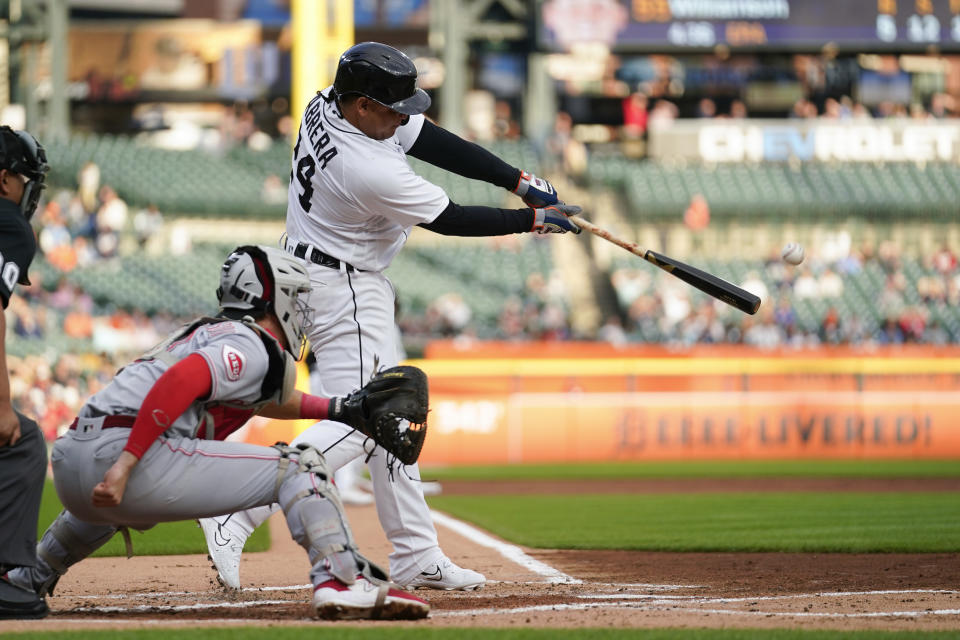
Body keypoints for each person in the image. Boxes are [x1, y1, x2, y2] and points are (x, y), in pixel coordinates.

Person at [199, 41, 581, 592]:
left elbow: (432, 139)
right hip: (344, 287)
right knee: (373, 418)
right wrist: (530, 219)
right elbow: (450, 219)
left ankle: (417, 555)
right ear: (361, 105)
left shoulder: (332, 104)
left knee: (391, 420)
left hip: (310, 272)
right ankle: (239, 509)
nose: (404, 115)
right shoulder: (366, 166)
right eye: (393, 107)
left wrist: (516, 179)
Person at [6, 245, 430, 620]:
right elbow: (181, 382)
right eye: (296, 297)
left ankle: (31, 575)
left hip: (73, 461)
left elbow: (264, 397)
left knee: (107, 495)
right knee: (302, 465)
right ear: (273, 296)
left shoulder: (205, 332)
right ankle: (340, 579)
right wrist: (126, 463)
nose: (302, 309)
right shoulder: (249, 342)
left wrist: (340, 408)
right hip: (125, 455)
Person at [0, 126, 50, 620]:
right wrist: (1, 405)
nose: (30, 189)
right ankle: (6, 576)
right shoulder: (9, 223)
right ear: (3, 180)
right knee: (23, 441)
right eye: (25, 178)